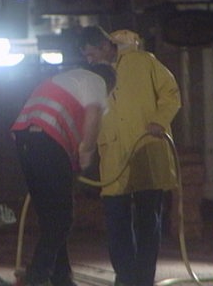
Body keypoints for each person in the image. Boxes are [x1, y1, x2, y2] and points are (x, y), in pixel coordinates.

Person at [78, 26, 182, 286]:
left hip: (147, 150)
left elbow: (171, 93)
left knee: (148, 220)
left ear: (104, 46)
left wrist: (160, 121)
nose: (90, 61)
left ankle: (143, 279)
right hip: (114, 156)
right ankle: (125, 278)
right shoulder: (96, 76)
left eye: (92, 55)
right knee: (116, 221)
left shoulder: (143, 62)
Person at [10, 63, 117, 286]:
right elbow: (94, 115)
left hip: (24, 140)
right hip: (48, 141)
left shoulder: (66, 79)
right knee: (61, 218)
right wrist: (87, 151)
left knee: (50, 216)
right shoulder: (97, 80)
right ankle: (37, 276)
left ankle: (61, 276)